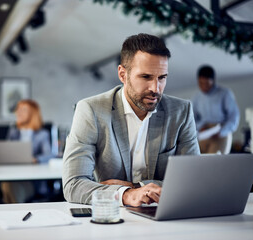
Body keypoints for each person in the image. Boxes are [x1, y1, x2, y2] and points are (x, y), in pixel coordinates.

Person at [62, 33, 200, 207]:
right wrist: (127, 195)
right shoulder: (91, 111)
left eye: (162, 78)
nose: (155, 88)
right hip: (110, 217)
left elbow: (193, 181)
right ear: (122, 74)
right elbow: (73, 185)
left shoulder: (181, 112)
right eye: (146, 77)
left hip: (163, 213)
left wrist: (134, 187)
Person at [0, 99, 53, 203]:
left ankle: (14, 213)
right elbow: (6, 153)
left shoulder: (42, 134)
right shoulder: (13, 132)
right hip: (13, 176)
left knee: (10, 187)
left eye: (23, 110)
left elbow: (49, 154)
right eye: (18, 110)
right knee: (7, 184)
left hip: (32, 181)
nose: (18, 112)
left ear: (33, 114)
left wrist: (35, 159)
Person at [192, 65, 239, 154]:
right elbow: (192, 118)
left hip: (220, 133)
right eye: (201, 83)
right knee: (199, 162)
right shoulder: (197, 97)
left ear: (213, 81)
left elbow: (233, 116)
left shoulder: (225, 93)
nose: (203, 87)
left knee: (215, 163)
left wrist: (222, 131)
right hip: (203, 133)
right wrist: (199, 127)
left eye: (206, 84)